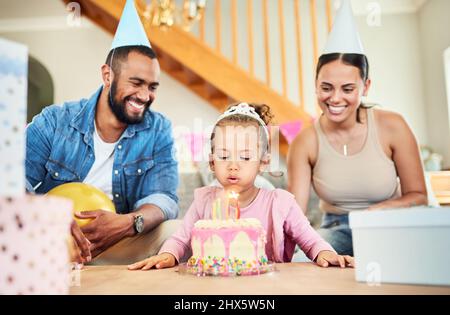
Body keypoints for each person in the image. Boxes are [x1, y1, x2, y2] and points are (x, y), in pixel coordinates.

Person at [25, 0, 180, 265]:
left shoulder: (158, 129)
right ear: (108, 75)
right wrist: (47, 216)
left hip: (116, 242)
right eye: (136, 83)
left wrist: (129, 223)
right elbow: (11, 182)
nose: (145, 95)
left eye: (152, 86)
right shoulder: (54, 121)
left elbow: (164, 197)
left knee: (174, 230)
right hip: (48, 237)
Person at [128, 103, 354, 271]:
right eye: (224, 156)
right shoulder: (204, 200)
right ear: (212, 161)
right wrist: (168, 255)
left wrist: (325, 253)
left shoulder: (280, 203)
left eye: (245, 157)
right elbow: (180, 238)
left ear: (263, 162)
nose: (233, 166)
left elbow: (310, 239)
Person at [287, 0, 427, 257]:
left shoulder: (393, 126)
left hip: (392, 225)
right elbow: (294, 214)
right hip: (336, 229)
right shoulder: (305, 141)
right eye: (326, 87)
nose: (335, 98)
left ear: (366, 86)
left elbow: (418, 196)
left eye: (348, 89)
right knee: (303, 263)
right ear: (316, 84)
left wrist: (377, 212)